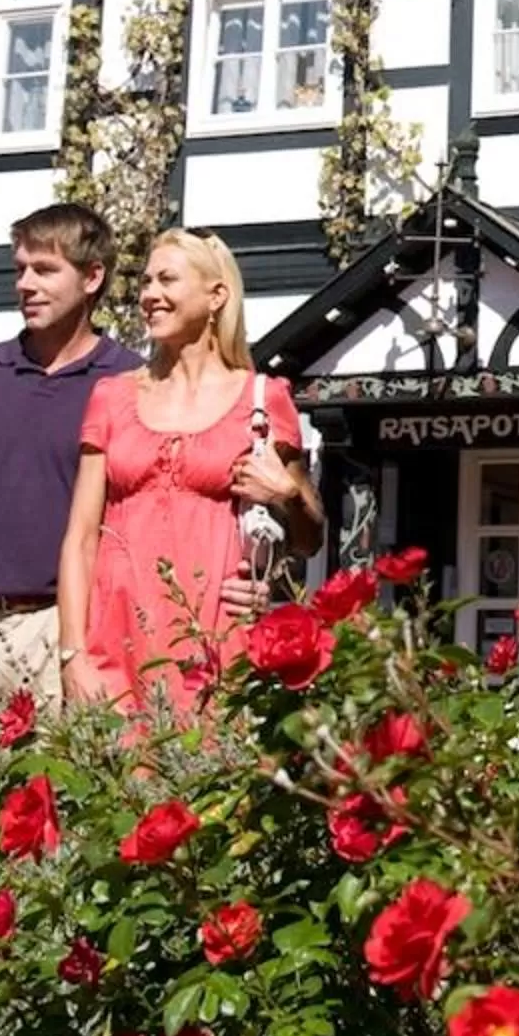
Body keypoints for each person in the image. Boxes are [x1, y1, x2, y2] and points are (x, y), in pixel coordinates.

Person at [0, 206, 278, 728]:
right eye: (19, 269)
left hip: (70, 626)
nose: (26, 284)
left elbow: (179, 510)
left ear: (92, 278)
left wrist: (249, 580)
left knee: (60, 802)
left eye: (44, 270)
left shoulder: (132, 385)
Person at [59, 228, 324, 714]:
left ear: (216, 295)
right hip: (115, 642)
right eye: (145, 282)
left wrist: (285, 495)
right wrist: (72, 654)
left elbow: (308, 539)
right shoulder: (112, 397)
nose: (149, 295)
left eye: (167, 280)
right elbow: (79, 539)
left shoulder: (262, 400)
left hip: (218, 640)